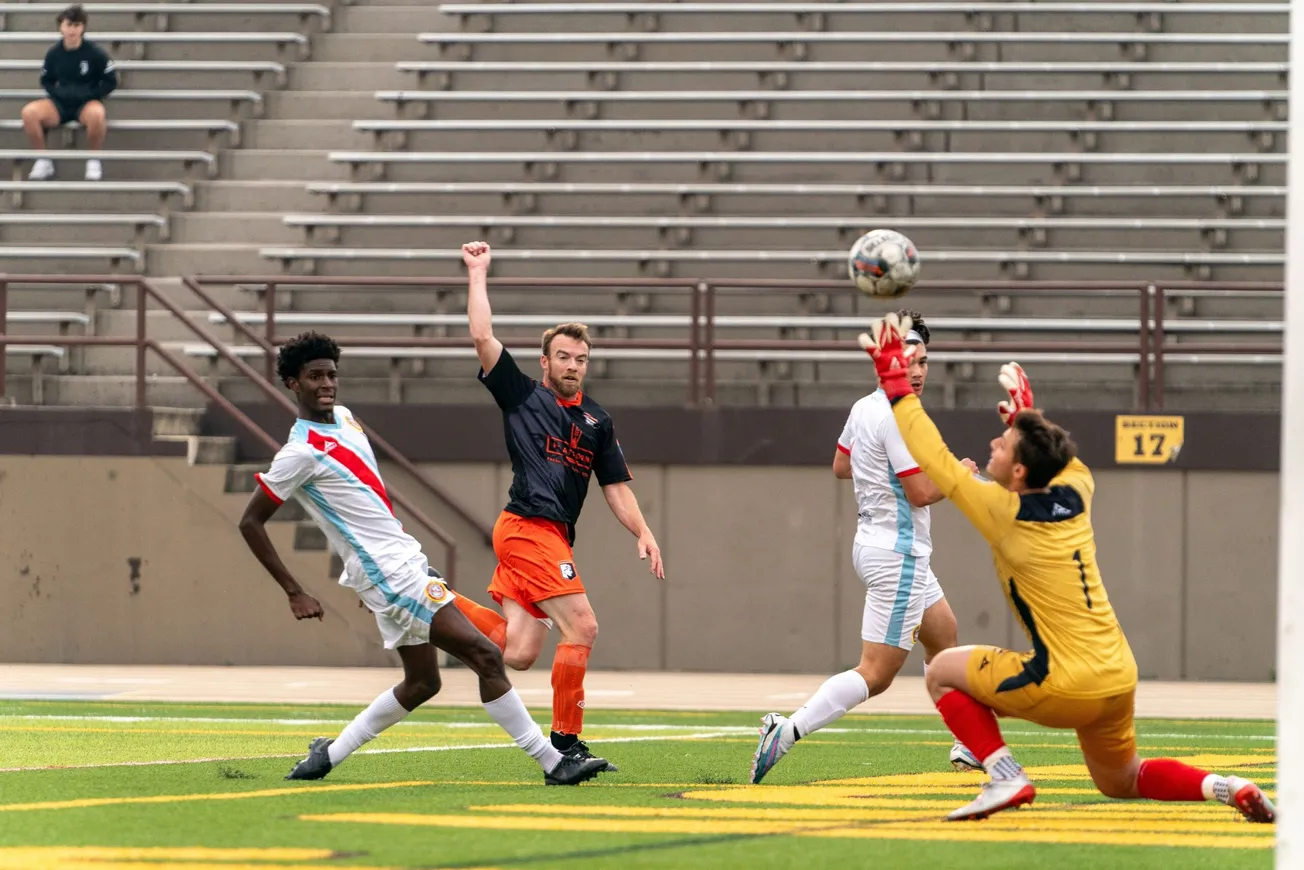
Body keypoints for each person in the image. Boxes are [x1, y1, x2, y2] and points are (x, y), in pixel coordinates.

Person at [858, 312, 1275, 823]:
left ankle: (1005, 776)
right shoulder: (1077, 484)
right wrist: (1027, 416)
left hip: (1065, 679)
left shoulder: (1001, 511)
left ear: (1016, 471)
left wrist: (895, 383)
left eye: (1004, 442)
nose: (995, 440)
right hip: (1117, 673)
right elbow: (1053, 451)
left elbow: (934, 455)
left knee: (942, 672)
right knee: (1120, 779)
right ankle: (1227, 787)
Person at [237, 330, 610, 787]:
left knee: (423, 683)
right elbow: (249, 522)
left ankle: (327, 756)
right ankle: (555, 763)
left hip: (398, 566)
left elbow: (365, 507)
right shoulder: (299, 454)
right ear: (293, 384)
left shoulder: (347, 420)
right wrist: (295, 591)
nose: (327, 383)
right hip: (390, 575)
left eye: (331, 374)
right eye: (314, 376)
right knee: (485, 657)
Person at [450, 240, 666, 771]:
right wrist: (478, 272)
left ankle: (427, 600)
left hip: (550, 536)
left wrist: (643, 530)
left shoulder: (597, 420)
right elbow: (482, 335)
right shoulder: (523, 396)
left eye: (581, 359)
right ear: (545, 361)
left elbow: (614, 485)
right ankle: (565, 745)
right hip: (528, 526)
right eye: (564, 357)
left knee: (518, 652)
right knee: (583, 626)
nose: (573, 365)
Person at [750, 311, 978, 784]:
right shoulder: (898, 415)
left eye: (923, 361)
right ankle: (787, 730)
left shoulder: (864, 406)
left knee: (945, 635)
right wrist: (960, 474)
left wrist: (880, 475)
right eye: (907, 361)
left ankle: (970, 741)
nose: (916, 371)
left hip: (879, 544)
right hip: (898, 554)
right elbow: (920, 492)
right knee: (875, 674)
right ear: (885, 363)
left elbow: (840, 464)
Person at [21, 4, 117, 182]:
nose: (72, 30)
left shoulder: (95, 53)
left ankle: (93, 160)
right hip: (60, 104)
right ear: (61, 27)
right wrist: (58, 93)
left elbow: (111, 80)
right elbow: (46, 80)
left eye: (77, 25)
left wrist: (91, 94)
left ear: (83, 27)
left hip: (85, 103)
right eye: (69, 25)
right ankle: (43, 159)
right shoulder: (54, 53)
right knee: (29, 113)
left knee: (97, 113)